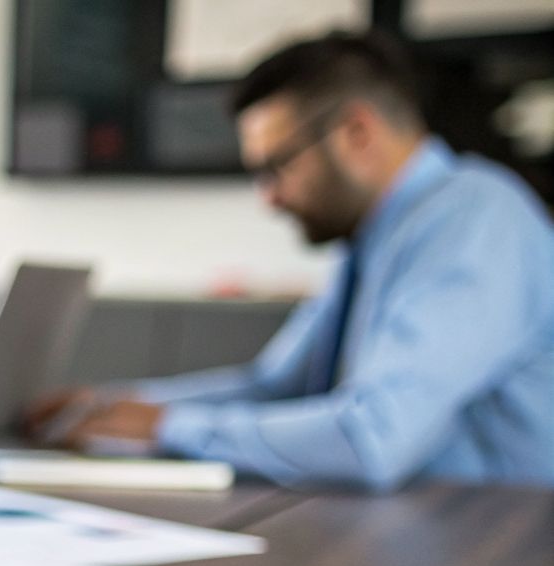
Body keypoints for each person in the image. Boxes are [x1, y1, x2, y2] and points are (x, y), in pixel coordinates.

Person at [28, 32, 554, 491]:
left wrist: (167, 427)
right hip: (423, 524)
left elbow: (372, 438)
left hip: (500, 539)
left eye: (277, 166)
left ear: (357, 133)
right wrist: (119, 405)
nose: (270, 199)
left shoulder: (474, 220)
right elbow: (275, 386)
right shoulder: (373, 238)